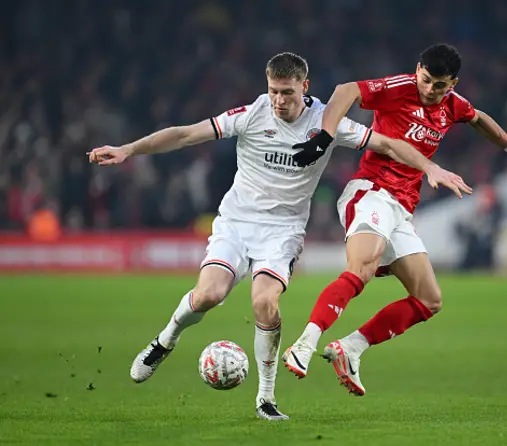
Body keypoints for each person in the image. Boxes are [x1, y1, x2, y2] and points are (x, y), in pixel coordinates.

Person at [87, 52, 469, 419]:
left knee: (266, 304)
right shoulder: (252, 114)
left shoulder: (326, 122)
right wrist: (128, 149)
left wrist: (430, 167)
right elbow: (186, 135)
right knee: (209, 294)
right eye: (273, 90)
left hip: (283, 231)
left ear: (306, 87)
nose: (279, 100)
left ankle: (265, 398)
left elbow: (387, 144)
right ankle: (164, 341)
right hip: (237, 221)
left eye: (287, 92)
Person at [283, 43, 507, 396]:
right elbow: (346, 91)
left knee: (429, 299)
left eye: (439, 85)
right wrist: (325, 135)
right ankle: (304, 342)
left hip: (402, 209)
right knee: (361, 269)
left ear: (452, 83)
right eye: (425, 80)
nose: (429, 90)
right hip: (371, 191)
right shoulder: (398, 88)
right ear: (417, 70)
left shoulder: (452, 105)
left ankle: (351, 349)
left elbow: (479, 118)